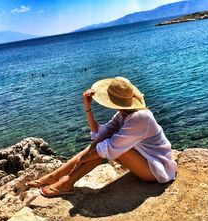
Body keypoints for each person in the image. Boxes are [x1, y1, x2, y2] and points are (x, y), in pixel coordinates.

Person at [26, 77, 177, 197]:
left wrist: (80, 160)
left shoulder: (140, 117)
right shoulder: (124, 114)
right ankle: (56, 177)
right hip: (145, 162)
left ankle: (65, 181)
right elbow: (100, 133)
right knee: (102, 145)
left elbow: (108, 147)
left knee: (105, 148)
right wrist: (88, 107)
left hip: (156, 169)